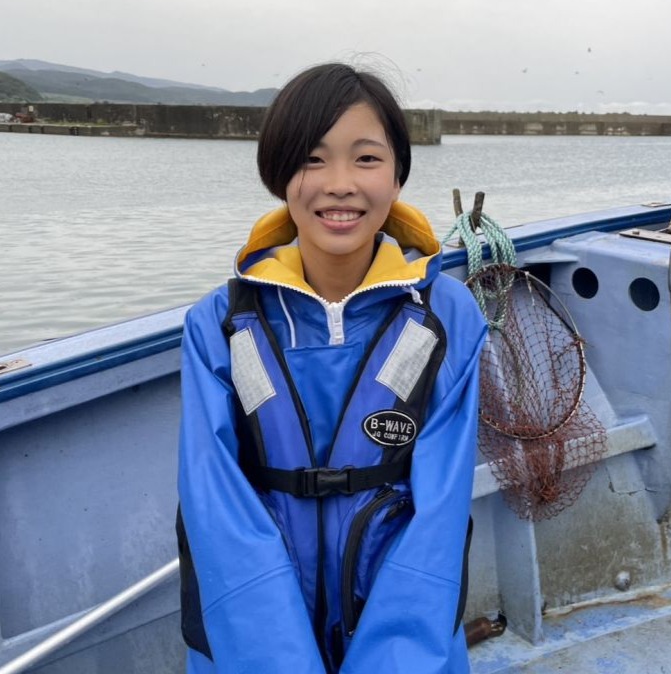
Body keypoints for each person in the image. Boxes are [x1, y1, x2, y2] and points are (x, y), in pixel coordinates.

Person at [177, 63, 487, 673]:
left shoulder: (448, 318)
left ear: (398, 174)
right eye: (311, 160)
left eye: (366, 159)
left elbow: (440, 514)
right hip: (255, 636)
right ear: (279, 174)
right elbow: (217, 511)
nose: (339, 185)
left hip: (405, 624)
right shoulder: (219, 324)